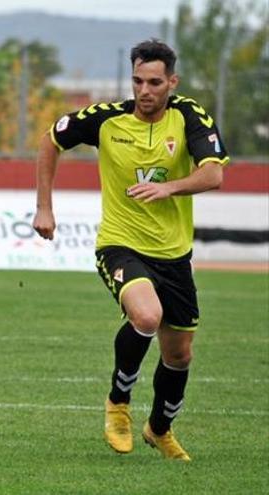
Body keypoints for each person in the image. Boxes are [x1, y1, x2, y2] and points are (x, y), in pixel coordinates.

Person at [33, 39, 228, 462]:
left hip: (174, 255)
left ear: (172, 82)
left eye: (155, 82)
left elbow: (213, 174)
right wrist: (44, 206)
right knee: (145, 315)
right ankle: (118, 403)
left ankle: (159, 429)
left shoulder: (189, 116)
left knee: (179, 355)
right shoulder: (105, 119)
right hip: (120, 245)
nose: (145, 90)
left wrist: (168, 187)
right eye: (138, 80)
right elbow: (50, 141)